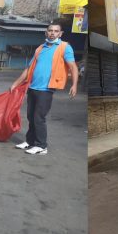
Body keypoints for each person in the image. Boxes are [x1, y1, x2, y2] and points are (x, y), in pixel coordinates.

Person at [10, 22, 78, 155]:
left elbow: (73, 67)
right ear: (46, 32)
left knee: (38, 117)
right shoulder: (40, 48)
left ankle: (41, 146)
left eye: (56, 31)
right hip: (33, 87)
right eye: (50, 30)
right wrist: (15, 83)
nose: (53, 33)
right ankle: (30, 142)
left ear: (60, 33)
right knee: (30, 116)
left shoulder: (65, 47)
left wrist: (74, 84)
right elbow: (28, 69)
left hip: (46, 89)